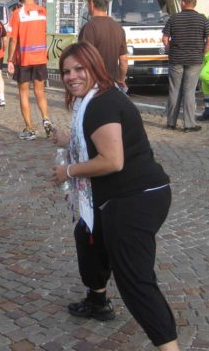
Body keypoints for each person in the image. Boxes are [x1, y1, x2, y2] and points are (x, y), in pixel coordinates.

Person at [51, 41, 179, 351]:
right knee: (88, 235)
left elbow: (112, 160)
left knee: (135, 283)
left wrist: (68, 172)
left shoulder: (100, 105)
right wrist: (69, 139)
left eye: (79, 68)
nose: (71, 76)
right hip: (126, 196)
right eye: (66, 71)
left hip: (134, 200)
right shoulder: (94, 101)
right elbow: (95, 137)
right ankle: (97, 301)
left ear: (94, 66)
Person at [7, 0, 53, 140]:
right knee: (40, 92)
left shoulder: (17, 13)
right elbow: (44, 32)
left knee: (24, 93)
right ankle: (46, 118)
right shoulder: (43, 11)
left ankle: (30, 128)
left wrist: (10, 59)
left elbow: (13, 40)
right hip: (40, 57)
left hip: (24, 59)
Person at [162, 0, 209, 132]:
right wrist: (202, 53)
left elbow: (165, 39)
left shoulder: (174, 18)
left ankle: (171, 122)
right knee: (189, 92)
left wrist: (170, 50)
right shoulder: (202, 19)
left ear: (183, 3)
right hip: (195, 59)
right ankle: (189, 124)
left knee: (174, 90)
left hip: (176, 59)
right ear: (194, 4)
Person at [78, 0, 128, 90]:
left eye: (88, 3)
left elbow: (84, 58)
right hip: (112, 84)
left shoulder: (89, 27)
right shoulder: (119, 28)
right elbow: (123, 60)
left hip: (94, 83)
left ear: (92, 3)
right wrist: (122, 79)